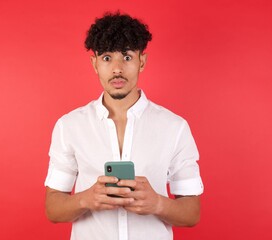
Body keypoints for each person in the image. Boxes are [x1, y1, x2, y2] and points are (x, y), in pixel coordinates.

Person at [44, 12, 204, 240]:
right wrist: (86, 199)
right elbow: (53, 208)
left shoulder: (175, 127)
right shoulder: (69, 126)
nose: (117, 68)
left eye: (127, 57)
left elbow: (192, 213)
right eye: (107, 58)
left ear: (142, 61)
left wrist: (158, 203)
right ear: (94, 63)